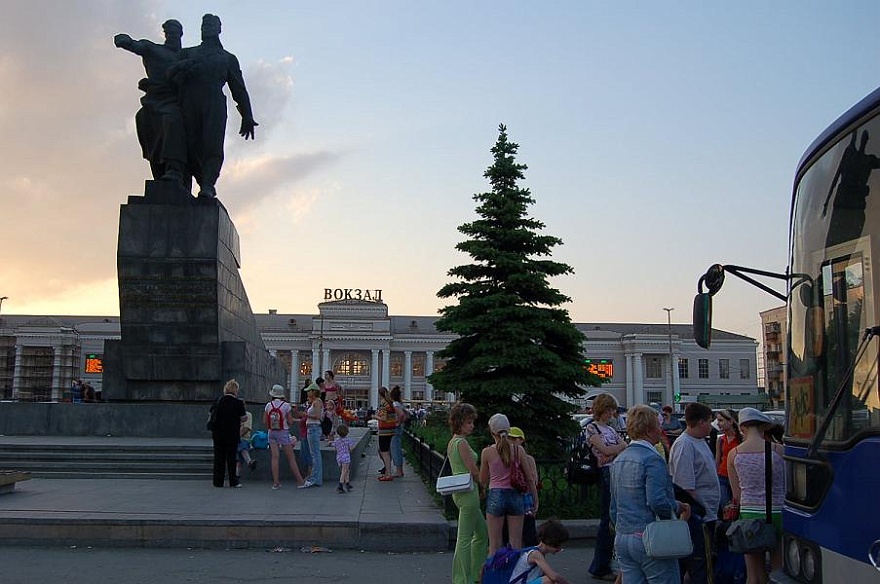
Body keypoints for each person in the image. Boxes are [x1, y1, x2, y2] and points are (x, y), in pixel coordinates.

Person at [168, 14, 257, 198]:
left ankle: (208, 185)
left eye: (210, 24)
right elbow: (170, 75)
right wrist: (183, 67)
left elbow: (239, 89)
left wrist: (247, 115)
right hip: (189, 99)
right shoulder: (188, 53)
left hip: (213, 101)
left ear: (219, 29)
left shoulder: (227, 58)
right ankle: (180, 178)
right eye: (204, 24)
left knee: (212, 145)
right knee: (187, 143)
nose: (206, 27)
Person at [611, 405, 691, 584]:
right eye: (657, 426)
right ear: (648, 430)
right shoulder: (652, 458)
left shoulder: (619, 459)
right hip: (649, 535)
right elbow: (656, 500)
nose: (660, 430)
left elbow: (613, 506)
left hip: (623, 536)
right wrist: (677, 508)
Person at [114, 19, 187, 183]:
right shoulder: (153, 49)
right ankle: (160, 171)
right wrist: (126, 41)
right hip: (154, 100)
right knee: (144, 122)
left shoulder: (186, 56)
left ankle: (174, 168)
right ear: (165, 34)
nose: (171, 35)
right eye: (168, 32)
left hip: (175, 102)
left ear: (181, 34)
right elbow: (137, 46)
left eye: (174, 32)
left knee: (172, 120)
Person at [727, 408, 785, 584]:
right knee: (779, 572)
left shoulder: (734, 455)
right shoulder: (778, 451)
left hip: (749, 516)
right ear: (763, 428)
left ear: (742, 428)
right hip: (777, 513)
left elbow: (736, 494)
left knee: (754, 576)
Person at [668, 402, 720, 584]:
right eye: (709, 421)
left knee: (699, 561)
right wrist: (700, 510)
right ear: (701, 423)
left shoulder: (699, 441)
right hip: (698, 515)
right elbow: (685, 487)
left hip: (707, 512)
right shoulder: (685, 446)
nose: (712, 425)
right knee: (699, 563)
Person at [480, 413, 538, 556]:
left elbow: (483, 479)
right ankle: (514, 576)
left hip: (496, 495)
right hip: (515, 495)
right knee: (515, 543)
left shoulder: (487, 452)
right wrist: (535, 499)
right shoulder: (518, 450)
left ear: (491, 431)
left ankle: (493, 577)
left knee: (494, 544)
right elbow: (529, 478)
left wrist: (481, 493)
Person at [586, 392, 628, 581]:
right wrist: (616, 449)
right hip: (605, 474)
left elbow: (622, 446)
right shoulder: (592, 428)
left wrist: (614, 450)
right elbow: (605, 451)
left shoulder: (610, 430)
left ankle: (607, 564)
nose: (612, 413)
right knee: (607, 520)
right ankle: (600, 566)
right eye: (610, 410)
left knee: (614, 519)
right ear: (602, 410)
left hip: (616, 472)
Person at [446, 402, 487, 584]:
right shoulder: (461, 442)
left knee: (482, 533)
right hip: (468, 492)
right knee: (464, 537)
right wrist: (483, 485)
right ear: (460, 422)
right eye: (469, 422)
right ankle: (463, 579)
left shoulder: (453, 441)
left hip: (462, 492)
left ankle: (474, 572)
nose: (472, 425)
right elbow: (473, 469)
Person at [264, 384, 305, 490]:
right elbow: (290, 421)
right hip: (283, 432)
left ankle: (276, 483)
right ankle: (300, 481)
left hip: (271, 432)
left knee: (275, 457)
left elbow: (264, 421)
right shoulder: (286, 406)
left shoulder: (268, 405)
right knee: (291, 458)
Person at [508, 519, 573, 584]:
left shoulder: (538, 553)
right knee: (548, 580)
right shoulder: (535, 554)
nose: (560, 549)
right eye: (557, 546)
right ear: (549, 541)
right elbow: (554, 577)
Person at [504, 426, 538, 547]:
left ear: (521, 440)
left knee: (529, 534)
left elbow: (533, 479)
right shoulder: (504, 456)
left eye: (514, 438)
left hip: (525, 498)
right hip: (512, 497)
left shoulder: (528, 459)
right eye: (509, 438)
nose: (511, 441)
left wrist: (535, 499)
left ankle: (530, 560)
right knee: (509, 535)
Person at [211, 378, 247, 488]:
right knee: (231, 458)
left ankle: (218, 481)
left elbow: (211, 414)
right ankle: (233, 481)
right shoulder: (238, 402)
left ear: (226, 389)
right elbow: (244, 418)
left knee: (219, 458)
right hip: (232, 434)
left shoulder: (218, 401)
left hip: (218, 434)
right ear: (235, 390)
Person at [714, 409, 742, 508]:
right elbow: (718, 459)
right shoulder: (720, 439)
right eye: (717, 421)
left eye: (721, 421)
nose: (718, 424)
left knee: (736, 504)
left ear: (730, 421)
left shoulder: (741, 439)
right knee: (725, 506)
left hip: (737, 477)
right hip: (723, 476)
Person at [303, 385, 324, 487]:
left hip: (313, 428)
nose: (307, 393)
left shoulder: (317, 402)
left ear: (313, 391)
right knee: (315, 454)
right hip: (312, 428)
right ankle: (317, 479)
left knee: (315, 454)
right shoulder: (315, 402)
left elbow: (318, 416)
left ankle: (314, 478)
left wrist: (305, 415)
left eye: (309, 391)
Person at [376, 386, 398, 481]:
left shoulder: (383, 404)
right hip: (391, 430)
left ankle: (388, 473)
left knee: (384, 452)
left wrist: (375, 416)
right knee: (386, 451)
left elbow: (383, 418)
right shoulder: (391, 403)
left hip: (384, 431)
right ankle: (387, 472)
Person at [330, 423, 355, 493]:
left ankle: (347, 483)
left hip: (339, 457)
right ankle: (340, 485)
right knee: (344, 471)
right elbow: (351, 448)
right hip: (346, 457)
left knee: (346, 471)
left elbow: (335, 448)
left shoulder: (336, 440)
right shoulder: (348, 440)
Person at [390, 385, 408, 478]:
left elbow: (401, 415)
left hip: (395, 428)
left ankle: (399, 470)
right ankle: (399, 469)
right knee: (396, 447)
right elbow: (405, 415)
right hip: (399, 428)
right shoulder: (400, 404)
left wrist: (397, 422)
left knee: (395, 448)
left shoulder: (395, 405)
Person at [235, 409, 256, 479]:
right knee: (241, 446)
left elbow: (246, 428)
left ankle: (236, 474)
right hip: (234, 439)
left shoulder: (248, 415)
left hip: (243, 439)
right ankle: (249, 462)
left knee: (241, 444)